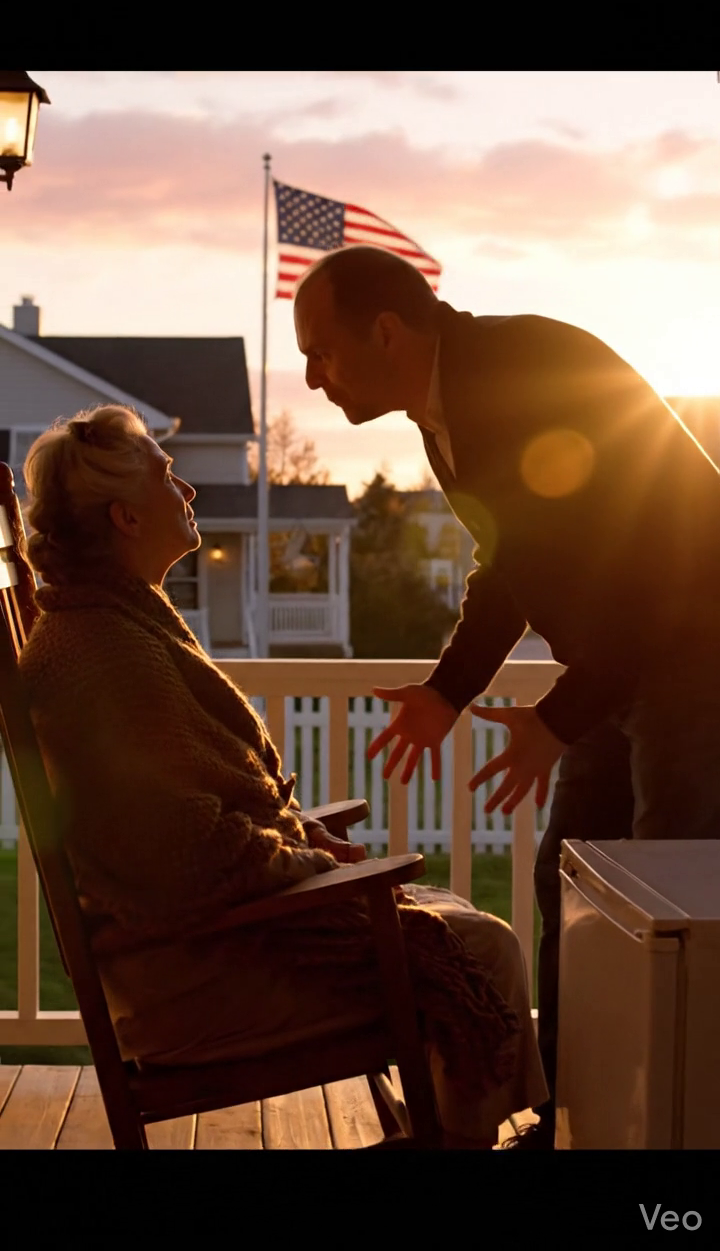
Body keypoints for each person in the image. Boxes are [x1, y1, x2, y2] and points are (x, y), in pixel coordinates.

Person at [18, 402, 547, 1149]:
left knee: (455, 931)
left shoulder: (113, 627)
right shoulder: (100, 659)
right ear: (125, 520)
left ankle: (457, 1134)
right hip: (193, 981)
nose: (190, 491)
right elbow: (183, 852)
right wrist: (306, 860)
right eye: (168, 477)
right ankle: (462, 1145)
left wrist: (304, 849)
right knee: (481, 948)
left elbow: (185, 821)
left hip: (197, 950)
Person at [293, 243, 720, 1148]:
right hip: (624, 663)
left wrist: (559, 721)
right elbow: (514, 564)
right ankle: (571, 1117)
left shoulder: (514, 381)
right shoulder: (447, 404)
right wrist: (449, 692)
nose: (311, 376)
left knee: (666, 906)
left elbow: (659, 576)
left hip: (697, 658)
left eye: (321, 350)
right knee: (566, 876)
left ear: (386, 331)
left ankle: (668, 1131)